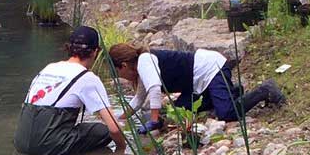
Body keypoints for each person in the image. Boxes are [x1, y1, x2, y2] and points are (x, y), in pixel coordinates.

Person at [107, 43, 286, 133]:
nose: (121, 77)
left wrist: (154, 120)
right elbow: (139, 99)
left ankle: (265, 90)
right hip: (196, 84)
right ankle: (232, 92)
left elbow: (154, 89)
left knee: (226, 114)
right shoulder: (142, 68)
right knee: (175, 113)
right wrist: (118, 119)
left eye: (118, 73)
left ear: (123, 65)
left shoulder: (145, 60)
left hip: (210, 68)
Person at [15, 26, 126, 155]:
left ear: (69, 48)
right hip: (47, 146)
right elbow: (114, 128)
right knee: (103, 130)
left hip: (21, 142)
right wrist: (122, 151)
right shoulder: (87, 78)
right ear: (95, 52)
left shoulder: (49, 68)